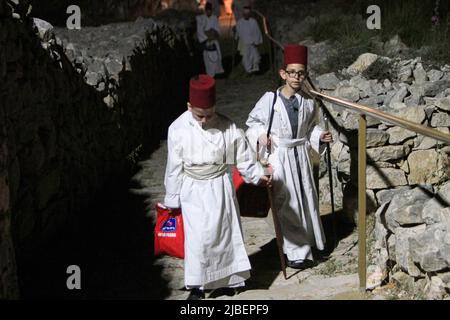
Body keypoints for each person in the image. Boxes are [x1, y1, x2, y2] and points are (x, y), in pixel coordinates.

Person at [163, 74, 271, 300]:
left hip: (220, 187)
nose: (204, 121)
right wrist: (172, 197)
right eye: (199, 115)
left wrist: (258, 175)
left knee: (224, 234)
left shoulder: (227, 126)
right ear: (189, 106)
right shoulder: (178, 128)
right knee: (199, 240)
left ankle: (230, 281)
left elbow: (243, 157)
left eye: (208, 114)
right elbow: (174, 166)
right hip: (192, 188)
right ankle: (197, 287)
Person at [245, 44, 333, 269]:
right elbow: (252, 124)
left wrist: (319, 136)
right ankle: (296, 251)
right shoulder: (270, 100)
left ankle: (312, 243)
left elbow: (309, 127)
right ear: (283, 74)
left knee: (307, 198)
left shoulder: (307, 100)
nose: (297, 77)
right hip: (280, 155)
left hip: (301, 154)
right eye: (292, 72)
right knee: (288, 202)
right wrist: (261, 135)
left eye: (301, 72)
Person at [196, 2, 224, 77]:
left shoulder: (214, 18)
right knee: (208, 60)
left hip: (214, 40)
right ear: (205, 10)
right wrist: (207, 36)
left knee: (216, 58)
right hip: (206, 41)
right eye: (207, 10)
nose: (209, 12)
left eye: (210, 11)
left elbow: (217, 29)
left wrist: (213, 33)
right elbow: (200, 31)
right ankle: (209, 74)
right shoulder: (201, 18)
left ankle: (216, 73)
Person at [234, 5, 263, 74]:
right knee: (246, 58)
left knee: (255, 57)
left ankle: (255, 69)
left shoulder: (253, 22)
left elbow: (257, 32)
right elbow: (238, 33)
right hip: (244, 43)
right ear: (243, 14)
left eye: (247, 14)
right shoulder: (239, 22)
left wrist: (256, 41)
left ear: (249, 14)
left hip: (252, 43)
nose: (246, 15)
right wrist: (236, 36)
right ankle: (248, 71)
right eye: (245, 14)